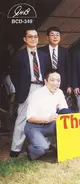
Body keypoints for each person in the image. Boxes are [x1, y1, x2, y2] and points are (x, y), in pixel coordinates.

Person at [10, 27, 51, 158]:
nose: (33, 39)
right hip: (27, 89)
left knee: (45, 116)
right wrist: (21, 88)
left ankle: (45, 145)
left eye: (35, 37)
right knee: (22, 118)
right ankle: (15, 149)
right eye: (30, 37)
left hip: (42, 88)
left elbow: (48, 72)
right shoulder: (19, 55)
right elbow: (14, 75)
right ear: (25, 39)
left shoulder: (44, 55)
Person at [24, 69, 69, 160]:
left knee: (67, 123)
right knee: (42, 149)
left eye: (58, 80)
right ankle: (30, 149)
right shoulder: (36, 94)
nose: (56, 83)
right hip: (34, 127)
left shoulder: (59, 92)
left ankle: (63, 150)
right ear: (45, 81)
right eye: (52, 80)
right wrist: (48, 119)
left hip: (50, 125)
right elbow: (30, 118)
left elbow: (65, 110)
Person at [39, 26, 72, 94]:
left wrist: (69, 85)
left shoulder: (64, 51)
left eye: (57, 35)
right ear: (48, 37)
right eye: (52, 35)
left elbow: (68, 69)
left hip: (62, 84)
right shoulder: (41, 51)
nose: (55, 37)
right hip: (46, 84)